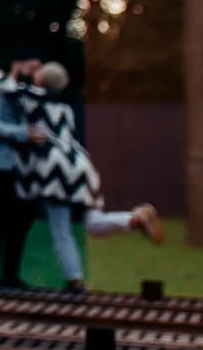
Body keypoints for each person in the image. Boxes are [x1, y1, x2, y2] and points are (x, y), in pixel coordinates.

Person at [16, 62, 164, 292]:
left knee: (60, 228)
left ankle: (75, 280)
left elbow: (10, 89)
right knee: (92, 222)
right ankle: (134, 218)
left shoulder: (37, 98)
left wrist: (7, 74)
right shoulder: (66, 108)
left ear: (43, 81)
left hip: (57, 171)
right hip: (81, 164)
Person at [0, 52, 46, 287]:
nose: (34, 73)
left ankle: (10, 275)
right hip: (3, 166)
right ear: (17, 64)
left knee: (21, 221)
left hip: (26, 168)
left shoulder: (29, 96)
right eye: (32, 67)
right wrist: (23, 133)